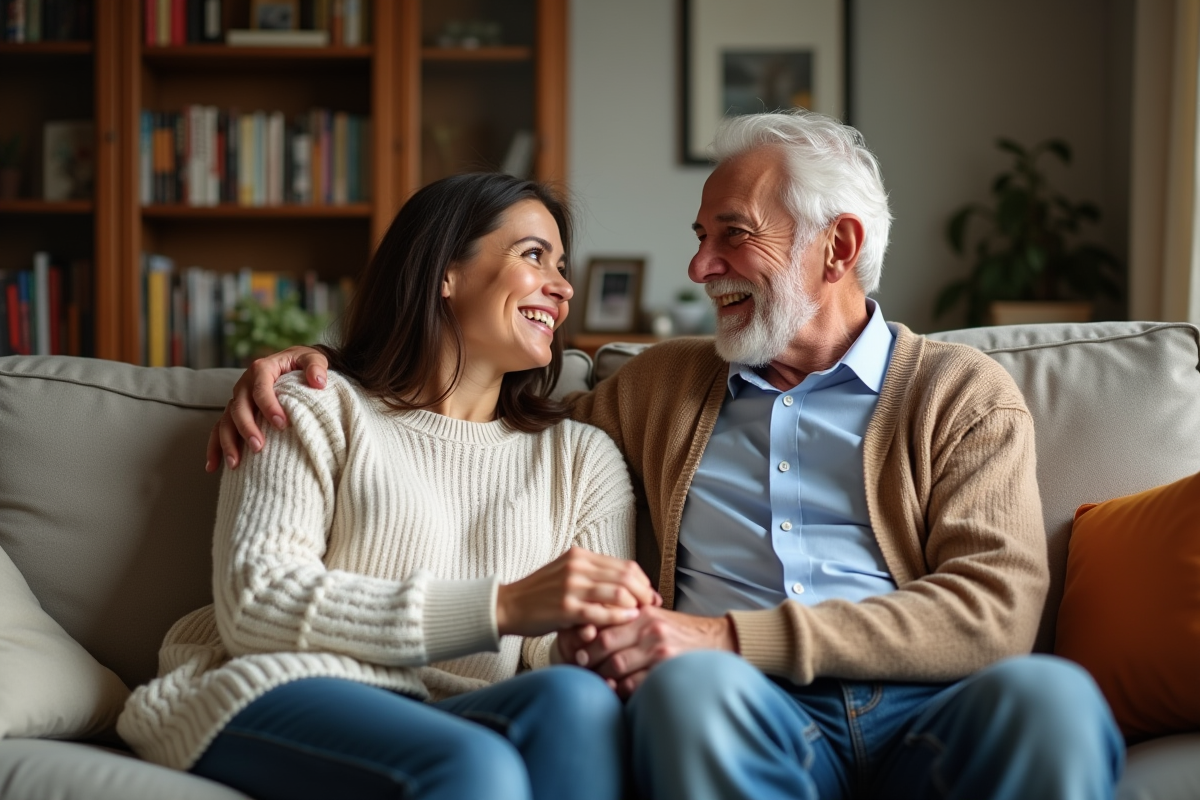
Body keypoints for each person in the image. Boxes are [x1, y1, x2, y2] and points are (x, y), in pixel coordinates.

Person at [210, 111, 1124, 800]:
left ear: (836, 247)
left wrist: (720, 635)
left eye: (733, 233)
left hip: (924, 705)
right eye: (700, 237)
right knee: (687, 696)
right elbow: (474, 414)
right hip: (743, 706)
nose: (699, 268)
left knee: (1055, 700)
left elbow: (995, 609)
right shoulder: (655, 390)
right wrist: (324, 363)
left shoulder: (960, 392)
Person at [120, 172, 659, 800]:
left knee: (576, 701)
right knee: (477, 767)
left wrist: (589, 643)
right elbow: (256, 603)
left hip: (461, 710)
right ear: (443, 274)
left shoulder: (582, 457)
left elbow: (554, 658)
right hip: (279, 688)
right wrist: (503, 606)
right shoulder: (316, 405)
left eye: (562, 265)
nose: (563, 288)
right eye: (533, 255)